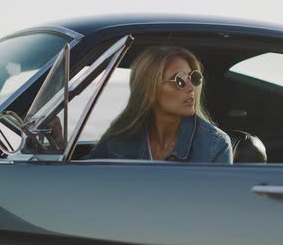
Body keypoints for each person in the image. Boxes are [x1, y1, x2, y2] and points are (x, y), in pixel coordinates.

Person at [87, 46, 233, 163]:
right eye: (179, 80)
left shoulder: (215, 145)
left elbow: (215, 199)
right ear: (149, 91)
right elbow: (84, 177)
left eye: (193, 78)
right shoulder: (121, 136)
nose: (191, 88)